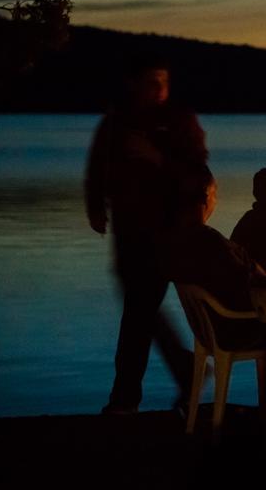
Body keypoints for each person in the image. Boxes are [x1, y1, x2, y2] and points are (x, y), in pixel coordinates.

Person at [85, 54, 202, 414]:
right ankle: (179, 373)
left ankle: (126, 399)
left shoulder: (180, 124)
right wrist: (95, 205)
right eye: (153, 82)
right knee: (139, 314)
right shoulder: (117, 122)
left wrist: (158, 159)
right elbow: (98, 165)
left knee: (138, 313)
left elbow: (198, 178)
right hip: (128, 232)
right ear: (133, 84)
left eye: (164, 82)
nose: (160, 89)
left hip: (166, 232)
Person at [165, 167, 266, 346]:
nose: (217, 200)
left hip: (211, 329)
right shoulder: (209, 242)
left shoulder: (180, 242)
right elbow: (246, 280)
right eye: (215, 194)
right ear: (205, 196)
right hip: (238, 328)